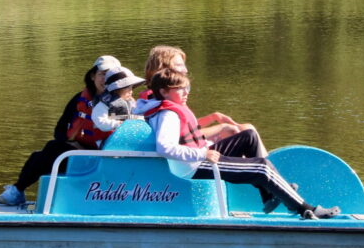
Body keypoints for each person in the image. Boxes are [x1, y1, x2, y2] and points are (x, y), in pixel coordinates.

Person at [136, 68, 339, 219]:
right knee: (261, 167)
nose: (186, 92)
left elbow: (187, 137)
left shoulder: (170, 108)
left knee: (248, 136)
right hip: (194, 166)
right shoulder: (168, 114)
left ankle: (269, 194)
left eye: (186, 87)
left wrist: (204, 149)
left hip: (200, 155)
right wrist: (202, 155)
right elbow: (165, 147)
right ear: (163, 92)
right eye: (180, 89)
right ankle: (306, 209)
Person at [0, 55, 120, 207]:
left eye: (110, 76)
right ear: (93, 76)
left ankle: (17, 191)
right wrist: (73, 145)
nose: (106, 80)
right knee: (47, 151)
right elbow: (60, 128)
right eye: (102, 74)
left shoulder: (119, 103)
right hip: (77, 150)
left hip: (103, 156)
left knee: (50, 151)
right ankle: (17, 190)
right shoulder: (79, 98)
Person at [139, 45, 267, 155]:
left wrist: (212, 117)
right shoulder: (161, 97)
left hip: (192, 144)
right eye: (179, 65)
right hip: (191, 152)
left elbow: (186, 125)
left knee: (245, 128)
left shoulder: (168, 92)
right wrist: (221, 127)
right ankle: (263, 169)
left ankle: (261, 165)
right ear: (164, 68)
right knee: (239, 131)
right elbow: (179, 136)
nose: (185, 70)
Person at [91, 65, 146, 133]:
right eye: (127, 88)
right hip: (108, 138)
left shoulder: (130, 102)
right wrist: (117, 124)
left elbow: (136, 114)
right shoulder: (104, 104)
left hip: (127, 134)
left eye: (131, 87)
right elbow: (100, 121)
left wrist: (142, 119)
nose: (131, 91)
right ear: (115, 89)